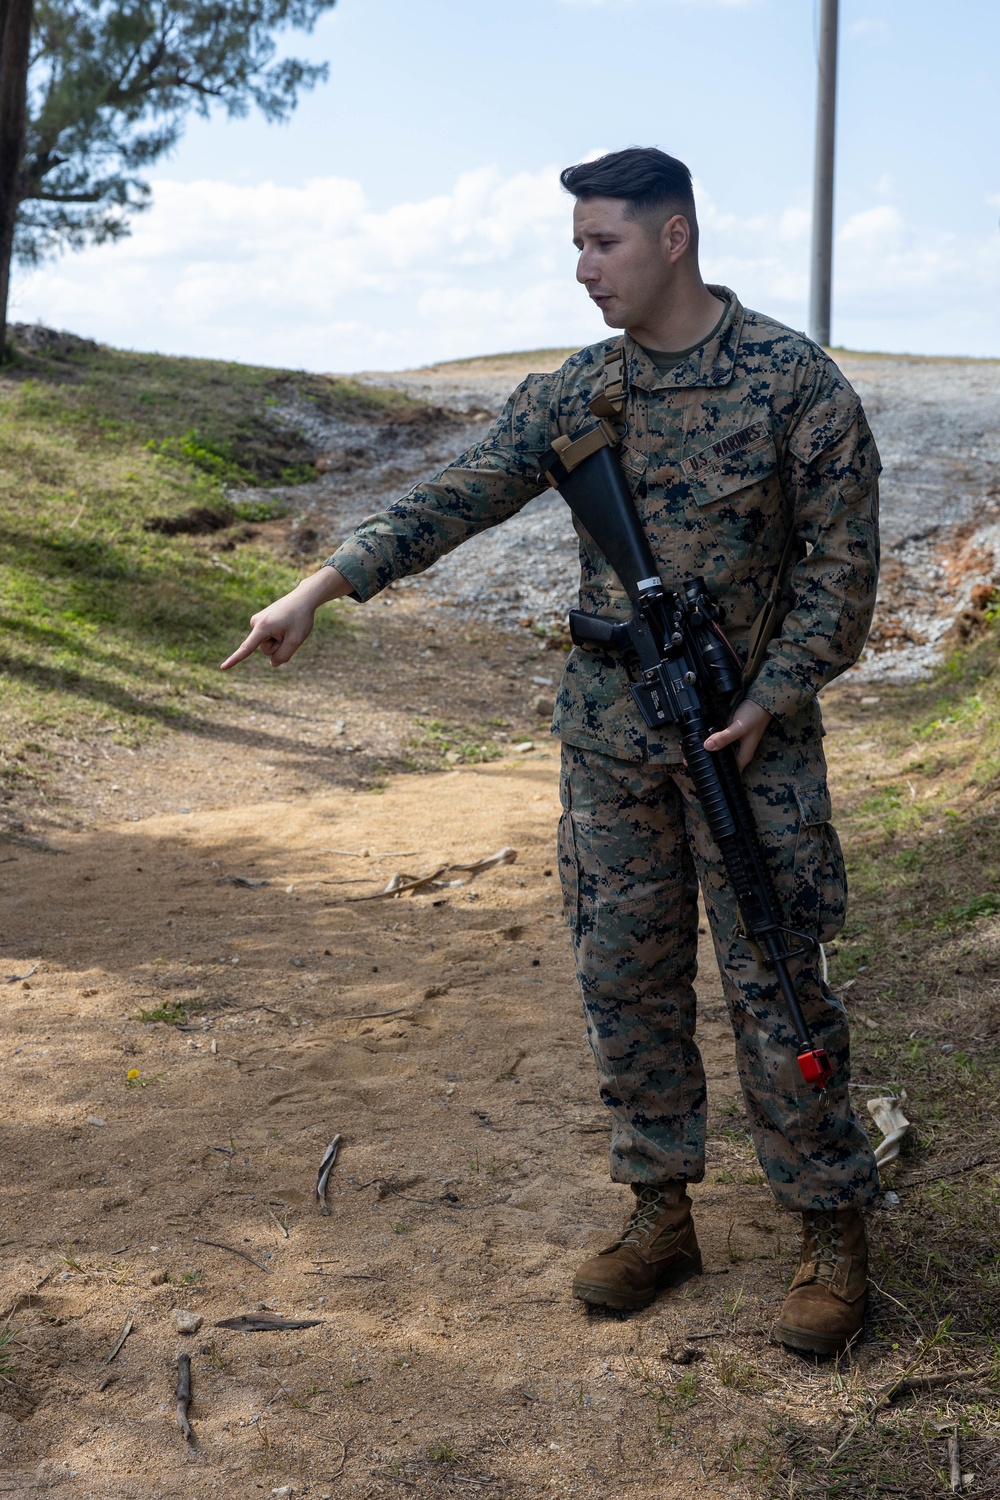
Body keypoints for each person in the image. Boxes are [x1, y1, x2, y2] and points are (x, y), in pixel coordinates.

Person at [222, 147, 881, 1358]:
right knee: (623, 980)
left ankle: (830, 1227)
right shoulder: (580, 394)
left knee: (776, 983)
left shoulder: (795, 385)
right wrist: (320, 587)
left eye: (602, 243)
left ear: (672, 238)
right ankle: (659, 1213)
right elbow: (458, 494)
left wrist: (770, 700)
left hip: (751, 747)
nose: (582, 267)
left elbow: (841, 577)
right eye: (576, 244)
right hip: (613, 742)